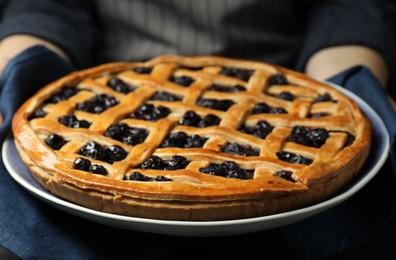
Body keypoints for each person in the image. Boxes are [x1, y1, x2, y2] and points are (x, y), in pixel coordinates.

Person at [0, 0, 395, 259]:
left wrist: (347, 86)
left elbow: (349, 7)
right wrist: (20, 68)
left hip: (283, 90)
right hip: (127, 86)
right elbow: (46, 6)